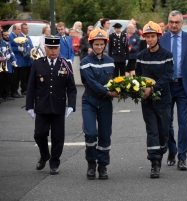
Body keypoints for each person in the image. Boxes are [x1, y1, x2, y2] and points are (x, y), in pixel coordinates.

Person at [159, 10, 187, 171]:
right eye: (171, 22)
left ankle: (182, 157)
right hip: (165, 88)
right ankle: (172, 150)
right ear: (168, 22)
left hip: (183, 86)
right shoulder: (161, 39)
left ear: (182, 23)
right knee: (167, 122)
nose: (173, 25)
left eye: (177, 22)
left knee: (183, 123)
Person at [26, 36, 77, 175]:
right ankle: (44, 155)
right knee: (39, 134)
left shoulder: (65, 64)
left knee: (58, 137)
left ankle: (54, 162)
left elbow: (71, 88)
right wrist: (29, 106)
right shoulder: (37, 64)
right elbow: (31, 86)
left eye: (56, 48)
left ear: (59, 49)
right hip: (42, 105)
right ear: (45, 48)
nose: (53, 51)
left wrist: (71, 105)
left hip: (58, 106)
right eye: (50, 48)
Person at [136, 21, 173, 178]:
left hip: (163, 99)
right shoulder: (140, 56)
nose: (150, 39)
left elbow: (168, 76)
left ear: (158, 37)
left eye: (153, 36)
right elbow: (137, 76)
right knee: (152, 130)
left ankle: (162, 150)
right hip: (147, 100)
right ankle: (154, 163)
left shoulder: (167, 55)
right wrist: (139, 89)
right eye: (147, 37)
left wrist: (154, 88)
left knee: (163, 131)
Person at [80, 28, 119, 180]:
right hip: (89, 100)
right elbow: (93, 83)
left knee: (104, 135)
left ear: (105, 45)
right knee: (90, 133)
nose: (98, 47)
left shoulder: (111, 62)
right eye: (96, 44)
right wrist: (110, 92)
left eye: (101, 44)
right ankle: (91, 164)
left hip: (105, 103)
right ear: (91, 44)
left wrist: (122, 89)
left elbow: (115, 81)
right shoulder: (85, 62)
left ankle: (102, 166)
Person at [0, 30, 17, 103]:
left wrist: (13, 59)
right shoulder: (2, 43)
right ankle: (2, 95)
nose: (7, 36)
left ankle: (6, 94)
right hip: (3, 64)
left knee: (8, 80)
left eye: (7, 35)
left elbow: (11, 52)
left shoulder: (7, 43)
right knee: (3, 81)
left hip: (9, 64)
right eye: (5, 35)